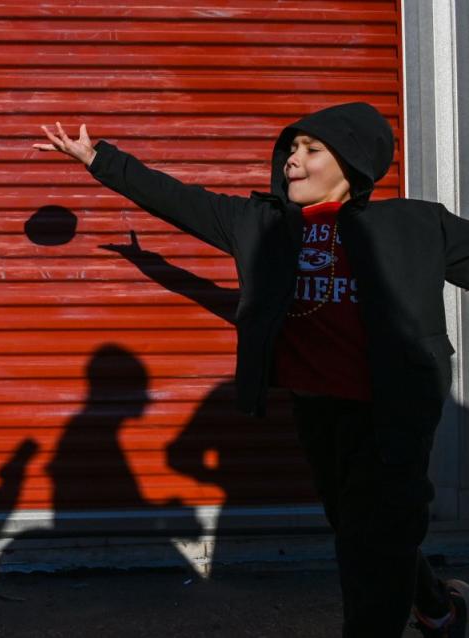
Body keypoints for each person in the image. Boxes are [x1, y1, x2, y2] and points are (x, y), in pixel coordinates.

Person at [33, 102, 469, 637]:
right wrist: (100, 159)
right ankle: (437, 608)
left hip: (394, 412)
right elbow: (180, 201)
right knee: (362, 528)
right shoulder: (260, 225)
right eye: (291, 148)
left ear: (352, 163)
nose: (292, 159)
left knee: (373, 542)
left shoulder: (414, 224)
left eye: (312, 149)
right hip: (318, 409)